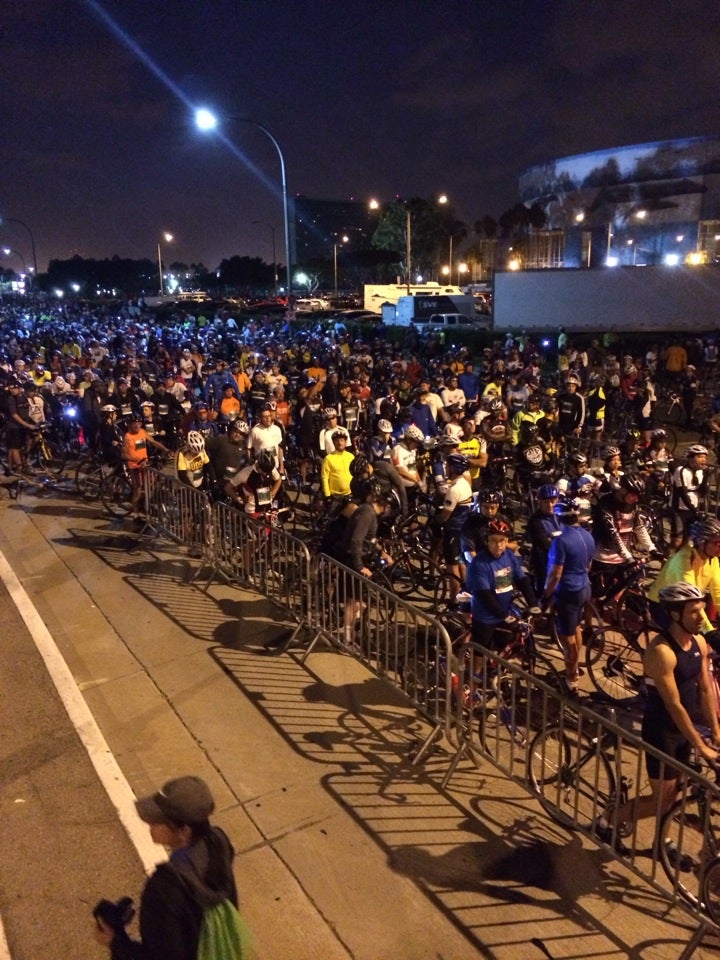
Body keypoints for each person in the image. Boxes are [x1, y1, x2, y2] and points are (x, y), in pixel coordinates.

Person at [595, 583, 720, 851]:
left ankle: (661, 842)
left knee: (674, 794)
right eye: (694, 612)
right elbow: (673, 704)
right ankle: (606, 821)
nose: (702, 617)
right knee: (661, 799)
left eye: (702, 610)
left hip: (684, 730)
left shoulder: (699, 642)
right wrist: (700, 745)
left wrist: (716, 731)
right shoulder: (661, 651)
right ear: (675, 614)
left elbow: (705, 688)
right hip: (662, 731)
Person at [93, 775, 240, 960]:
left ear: (183, 831)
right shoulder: (218, 844)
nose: (149, 825)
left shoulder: (163, 889)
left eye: (158, 821)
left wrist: (115, 941)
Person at [541, 499, 596, 692]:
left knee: (567, 639)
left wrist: (546, 595)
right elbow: (589, 565)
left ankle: (571, 679)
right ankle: (575, 667)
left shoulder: (561, 540)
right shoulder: (588, 536)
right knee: (576, 628)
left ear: (558, 518)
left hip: (568, 591)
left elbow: (556, 573)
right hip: (584, 587)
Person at [465, 518, 541, 650]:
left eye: (502, 540)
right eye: (494, 540)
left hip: (504, 610)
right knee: (481, 652)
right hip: (485, 616)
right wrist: (504, 615)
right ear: (487, 541)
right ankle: (474, 663)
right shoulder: (479, 563)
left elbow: (522, 580)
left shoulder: (509, 556)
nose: (499, 545)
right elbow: (485, 595)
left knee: (506, 645)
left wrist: (533, 603)